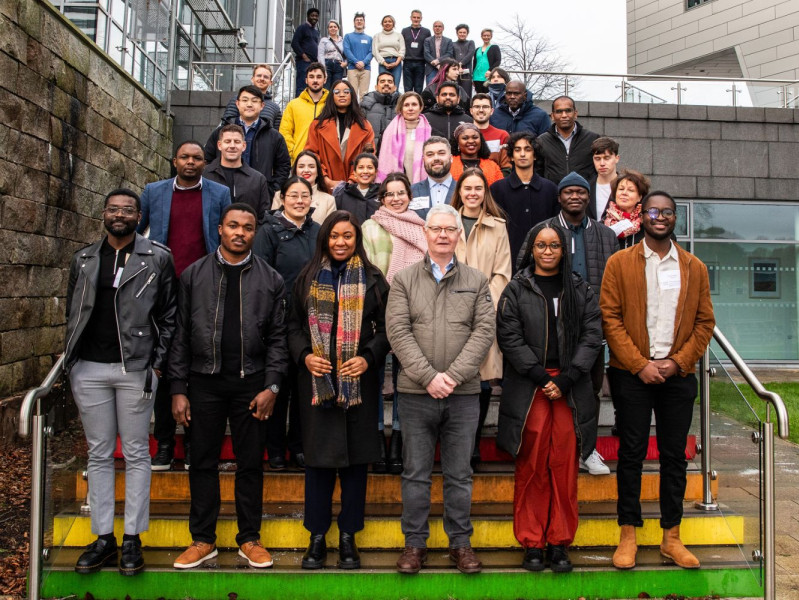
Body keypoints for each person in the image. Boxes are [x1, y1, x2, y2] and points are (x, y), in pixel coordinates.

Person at [170, 203, 288, 570]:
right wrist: (178, 387)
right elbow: (180, 335)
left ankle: (249, 539)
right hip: (204, 383)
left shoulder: (271, 279)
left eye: (248, 227)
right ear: (220, 229)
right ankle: (203, 539)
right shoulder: (193, 275)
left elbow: (279, 339)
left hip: (251, 384)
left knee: (250, 463)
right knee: (202, 460)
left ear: (255, 232)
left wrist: (271, 386)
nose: (240, 232)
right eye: (233, 226)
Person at [601, 191, 715, 571]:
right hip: (631, 374)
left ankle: (671, 536)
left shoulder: (693, 267)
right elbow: (610, 318)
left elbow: (704, 323)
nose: (660, 217)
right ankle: (628, 533)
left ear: (675, 219)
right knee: (631, 454)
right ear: (642, 216)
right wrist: (639, 364)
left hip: (677, 375)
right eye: (653, 211)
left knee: (673, 458)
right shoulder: (619, 263)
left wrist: (678, 362)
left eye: (667, 212)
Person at [66, 189, 177, 576]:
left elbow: (168, 316)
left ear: (138, 216)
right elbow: (72, 312)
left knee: (135, 453)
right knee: (98, 454)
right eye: (113, 209)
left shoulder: (157, 257)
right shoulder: (83, 259)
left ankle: (132, 538)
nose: (120, 215)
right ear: (103, 213)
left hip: (135, 369)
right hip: (89, 370)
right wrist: (71, 360)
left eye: (128, 210)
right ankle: (102, 538)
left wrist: (157, 366)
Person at [387, 204, 495, 575]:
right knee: (415, 472)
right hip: (416, 395)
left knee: (459, 473)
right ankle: (415, 545)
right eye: (436, 229)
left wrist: (453, 375)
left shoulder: (477, 281)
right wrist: (428, 377)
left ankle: (460, 544)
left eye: (450, 229)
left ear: (458, 234)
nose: (444, 235)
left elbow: (483, 333)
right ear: (426, 233)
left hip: (463, 395)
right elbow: (398, 333)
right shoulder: (403, 280)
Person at [496, 222, 602, 574]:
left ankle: (558, 542)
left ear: (563, 250)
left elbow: (592, 336)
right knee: (531, 466)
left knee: (564, 466)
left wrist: (569, 378)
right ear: (532, 248)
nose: (546, 251)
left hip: (569, 387)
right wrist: (542, 378)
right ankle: (531, 542)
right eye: (540, 245)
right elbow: (509, 338)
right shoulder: (516, 290)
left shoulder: (580, 290)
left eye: (554, 246)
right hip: (532, 388)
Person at [288, 211, 390, 570]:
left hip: (357, 386)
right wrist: (304, 357)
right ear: (325, 239)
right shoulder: (307, 277)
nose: (341, 242)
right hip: (318, 385)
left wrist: (367, 358)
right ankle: (316, 537)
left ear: (356, 239)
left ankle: (348, 537)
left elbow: (386, 331)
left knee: (355, 467)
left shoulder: (374, 280)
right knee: (317, 466)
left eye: (348, 236)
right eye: (334, 236)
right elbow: (292, 327)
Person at [138, 141, 231, 471]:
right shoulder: (154, 191)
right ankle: (164, 443)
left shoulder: (219, 194)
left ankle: (194, 444)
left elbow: (224, 235)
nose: (191, 162)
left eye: (197, 158)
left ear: (205, 162)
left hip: (204, 287)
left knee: (199, 366)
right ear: (174, 160)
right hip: (163, 288)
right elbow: (139, 234)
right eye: (185, 157)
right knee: (163, 365)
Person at [539, 171, 618, 476]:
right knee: (549, 389)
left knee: (590, 392)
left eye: (581, 192)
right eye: (568, 192)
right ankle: (551, 450)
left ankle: (588, 450)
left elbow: (615, 284)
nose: (575, 196)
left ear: (588, 197)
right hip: (549, 331)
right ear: (559, 197)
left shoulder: (606, 236)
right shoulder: (543, 231)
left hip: (591, 331)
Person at [362, 173, 428, 473]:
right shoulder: (369, 226)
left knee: (407, 378)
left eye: (401, 193)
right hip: (377, 313)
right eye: (390, 194)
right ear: (382, 198)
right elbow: (365, 269)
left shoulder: (423, 227)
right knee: (374, 378)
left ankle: (399, 440)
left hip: (414, 314)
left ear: (409, 196)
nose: (396, 198)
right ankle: (375, 438)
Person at [255, 177, 321, 471]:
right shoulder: (268, 232)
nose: (299, 200)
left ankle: (298, 446)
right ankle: (275, 448)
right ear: (282, 198)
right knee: (277, 385)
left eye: (304, 195)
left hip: (311, 321)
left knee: (304, 387)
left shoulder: (318, 231)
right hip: (277, 319)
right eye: (293, 195)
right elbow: (260, 274)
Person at [450, 168, 511, 466]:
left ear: (484, 192)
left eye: (477, 188)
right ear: (459, 191)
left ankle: (473, 443)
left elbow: (502, 273)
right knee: (457, 377)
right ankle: (456, 443)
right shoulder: (446, 222)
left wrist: (484, 304)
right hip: (449, 313)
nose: (472, 193)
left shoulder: (497, 227)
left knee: (483, 380)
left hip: (485, 312)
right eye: (467, 188)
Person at [204, 86, 290, 203]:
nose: (249, 104)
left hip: (258, 195)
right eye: (245, 100)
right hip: (221, 194)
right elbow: (206, 160)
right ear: (237, 104)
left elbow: (283, 166)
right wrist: (215, 182)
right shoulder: (221, 132)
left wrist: (270, 190)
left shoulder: (274, 136)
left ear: (262, 106)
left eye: (254, 101)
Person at [490, 132, 558, 270]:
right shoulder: (497, 189)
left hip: (543, 265)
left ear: (535, 155)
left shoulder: (550, 189)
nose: (522, 154)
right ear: (511, 156)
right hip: (507, 263)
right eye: (517, 150)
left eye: (527, 149)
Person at [305, 79, 375, 190]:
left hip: (356, 188)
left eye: (346, 92)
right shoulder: (317, 125)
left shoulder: (365, 126)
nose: (341, 95)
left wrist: (352, 181)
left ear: (352, 95)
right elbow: (311, 155)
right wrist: (326, 180)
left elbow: (369, 156)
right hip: (325, 187)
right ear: (331, 97)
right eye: (337, 92)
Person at [203, 124, 271, 223]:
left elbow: (263, 217)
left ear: (244, 146)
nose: (232, 146)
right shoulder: (204, 175)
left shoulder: (258, 180)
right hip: (211, 237)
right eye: (227, 141)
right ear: (219, 145)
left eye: (237, 142)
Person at [535, 96, 600, 184]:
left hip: (584, 194)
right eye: (559, 111)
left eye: (568, 111)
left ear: (575, 113)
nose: (564, 115)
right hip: (553, 194)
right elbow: (538, 172)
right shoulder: (541, 141)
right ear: (552, 116)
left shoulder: (592, 139)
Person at [377, 91, 432, 183]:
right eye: (406, 105)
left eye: (414, 104)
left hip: (423, 187)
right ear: (400, 109)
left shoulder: (431, 133)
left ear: (420, 107)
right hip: (396, 188)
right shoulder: (387, 133)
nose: (410, 108)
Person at [271, 150, 337, 225]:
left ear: (318, 172)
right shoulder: (280, 195)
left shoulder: (328, 200)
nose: (306, 170)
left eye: (311, 167)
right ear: (295, 171)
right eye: (301, 166)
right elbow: (273, 225)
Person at [280, 63, 329, 163]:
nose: (315, 80)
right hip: (300, 161)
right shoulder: (293, 105)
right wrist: (294, 152)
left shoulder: (331, 105)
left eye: (319, 77)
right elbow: (285, 132)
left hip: (327, 163)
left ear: (325, 80)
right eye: (311, 77)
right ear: (306, 80)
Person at [221, 64, 282, 130]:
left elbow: (276, 134)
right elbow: (226, 125)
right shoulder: (238, 99)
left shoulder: (275, 108)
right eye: (259, 75)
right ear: (252, 79)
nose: (262, 78)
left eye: (266, 77)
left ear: (270, 82)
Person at [604, 170, 650, 250]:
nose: (624, 193)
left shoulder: (647, 226)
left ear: (640, 197)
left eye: (630, 190)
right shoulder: (602, 225)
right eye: (621, 189)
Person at [409, 136, 456, 211]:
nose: (436, 158)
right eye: (430, 155)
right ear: (423, 160)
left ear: (451, 158)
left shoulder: (462, 190)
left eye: (441, 153)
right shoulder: (411, 192)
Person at [334, 153, 381, 224]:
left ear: (376, 172)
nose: (365, 171)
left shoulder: (382, 195)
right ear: (355, 172)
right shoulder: (342, 194)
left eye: (370, 167)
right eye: (361, 167)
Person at [470, 93, 510, 172]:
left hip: (494, 182)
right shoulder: (462, 135)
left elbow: (506, 169)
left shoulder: (502, 136)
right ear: (471, 111)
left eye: (485, 107)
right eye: (477, 107)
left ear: (491, 111)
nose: (481, 110)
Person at [361, 72, 400, 153]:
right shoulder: (365, 104)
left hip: (396, 155)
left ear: (395, 87)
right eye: (382, 81)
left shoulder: (403, 105)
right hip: (372, 155)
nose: (386, 83)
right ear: (376, 87)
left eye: (390, 82)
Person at [589, 137, 621, 221]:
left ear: (617, 158)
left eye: (607, 158)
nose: (602, 163)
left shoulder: (627, 187)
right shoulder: (586, 187)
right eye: (597, 159)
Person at [343, 12, 372, 101]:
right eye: (357, 20)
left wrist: (364, 62)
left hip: (365, 69)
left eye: (361, 20)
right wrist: (356, 62)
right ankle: (352, 114)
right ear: (354, 22)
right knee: (352, 93)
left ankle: (362, 114)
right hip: (352, 68)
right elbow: (347, 51)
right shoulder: (348, 36)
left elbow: (371, 52)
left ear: (364, 23)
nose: (359, 22)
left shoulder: (369, 38)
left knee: (364, 94)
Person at [292, 8, 321, 98]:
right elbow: (294, 43)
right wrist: (304, 56)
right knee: (302, 85)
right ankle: (298, 106)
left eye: (316, 16)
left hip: (313, 63)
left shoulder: (316, 32)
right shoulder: (302, 28)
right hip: (303, 62)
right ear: (308, 16)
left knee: (311, 86)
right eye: (312, 15)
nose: (314, 17)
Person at [401, 10, 431, 93]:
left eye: (418, 17)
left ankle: (418, 104)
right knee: (407, 88)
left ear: (421, 18)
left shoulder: (426, 31)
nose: (416, 19)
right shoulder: (405, 31)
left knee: (418, 88)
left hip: (420, 62)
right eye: (414, 17)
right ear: (411, 18)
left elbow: (428, 47)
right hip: (407, 62)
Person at [372, 15, 405, 88]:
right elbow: (375, 51)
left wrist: (396, 63)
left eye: (390, 21)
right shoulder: (377, 36)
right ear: (382, 24)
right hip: (383, 62)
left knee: (394, 87)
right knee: (384, 87)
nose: (387, 23)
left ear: (393, 23)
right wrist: (384, 63)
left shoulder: (399, 35)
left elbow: (402, 50)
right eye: (385, 22)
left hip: (396, 62)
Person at [318, 20, 347, 89]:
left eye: (335, 27)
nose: (333, 28)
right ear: (328, 29)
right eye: (331, 27)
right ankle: (326, 100)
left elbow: (347, 53)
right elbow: (320, 55)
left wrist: (346, 63)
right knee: (326, 87)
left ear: (338, 28)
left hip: (339, 64)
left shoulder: (343, 41)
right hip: (327, 64)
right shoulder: (324, 40)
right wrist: (323, 67)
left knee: (336, 87)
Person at [473, 29, 501, 94]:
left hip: (488, 76)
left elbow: (498, 61)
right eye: (484, 35)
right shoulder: (477, 49)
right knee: (479, 95)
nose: (486, 37)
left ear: (491, 36)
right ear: (481, 36)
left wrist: (490, 70)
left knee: (488, 96)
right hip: (476, 77)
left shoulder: (494, 47)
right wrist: (472, 76)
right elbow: (474, 63)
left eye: (488, 35)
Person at [452, 24, 476, 98]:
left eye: (464, 32)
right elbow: (451, 56)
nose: (462, 34)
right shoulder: (452, 44)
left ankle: (466, 109)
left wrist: (460, 64)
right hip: (455, 73)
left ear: (467, 33)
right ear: (457, 33)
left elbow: (470, 54)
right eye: (460, 32)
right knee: (455, 92)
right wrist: (456, 66)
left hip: (466, 74)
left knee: (466, 94)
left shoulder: (470, 43)